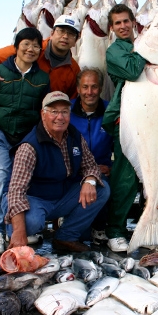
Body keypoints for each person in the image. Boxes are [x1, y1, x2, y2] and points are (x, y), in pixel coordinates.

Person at [0, 15, 82, 247]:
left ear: (76, 39)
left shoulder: (73, 68)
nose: (65, 36)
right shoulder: (31, 45)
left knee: (17, 180)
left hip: (29, 133)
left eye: (71, 34)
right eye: (61, 31)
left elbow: (69, 99)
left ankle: (8, 228)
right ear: (52, 33)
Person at [3, 91, 110, 253]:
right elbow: (16, 191)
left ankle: (66, 236)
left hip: (62, 198)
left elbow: (91, 165)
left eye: (64, 112)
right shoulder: (29, 147)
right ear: (43, 114)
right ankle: (14, 233)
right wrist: (19, 231)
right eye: (54, 112)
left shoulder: (74, 136)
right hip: (36, 200)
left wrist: (89, 180)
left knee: (102, 189)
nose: (60, 117)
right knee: (30, 223)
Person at [0, 27, 50, 254]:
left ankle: (13, 230)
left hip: (24, 138)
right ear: (16, 47)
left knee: (18, 184)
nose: (31, 49)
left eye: (36, 45)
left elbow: (42, 111)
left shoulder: (42, 78)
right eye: (26, 44)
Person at [102, 4, 147, 253]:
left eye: (125, 21)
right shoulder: (114, 52)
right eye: (117, 23)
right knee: (125, 175)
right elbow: (132, 69)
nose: (122, 26)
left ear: (133, 22)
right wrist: (147, 49)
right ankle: (115, 230)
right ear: (112, 27)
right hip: (127, 118)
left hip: (149, 117)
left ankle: (145, 225)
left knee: (151, 176)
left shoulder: (140, 45)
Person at [69, 67, 113, 243]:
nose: (89, 92)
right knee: (80, 236)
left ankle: (100, 226)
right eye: (85, 87)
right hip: (72, 171)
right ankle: (70, 222)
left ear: (100, 88)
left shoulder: (110, 111)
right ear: (78, 89)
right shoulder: (67, 111)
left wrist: (111, 166)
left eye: (94, 87)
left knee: (107, 185)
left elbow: (122, 144)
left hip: (101, 170)